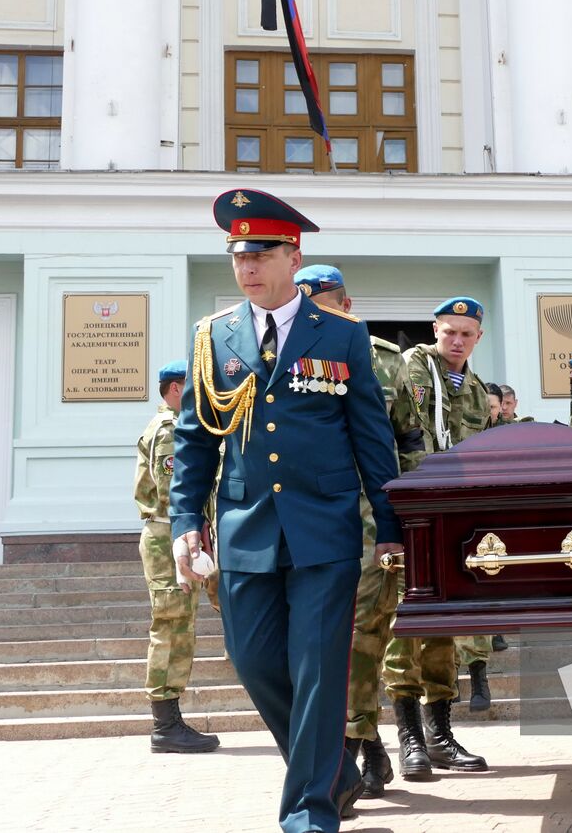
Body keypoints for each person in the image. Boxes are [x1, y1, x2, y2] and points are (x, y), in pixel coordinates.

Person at [169, 188, 402, 833]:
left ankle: (308, 813)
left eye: (262, 253)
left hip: (324, 531)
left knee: (317, 670)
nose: (247, 267)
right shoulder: (214, 337)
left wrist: (389, 527)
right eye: (238, 256)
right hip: (245, 530)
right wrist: (186, 524)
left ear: (293, 255)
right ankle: (333, 770)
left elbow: (371, 441)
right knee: (254, 661)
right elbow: (194, 442)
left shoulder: (345, 337)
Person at [294, 263, 425, 801]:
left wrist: (411, 521)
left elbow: (409, 442)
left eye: (322, 305)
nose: (313, 317)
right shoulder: (284, 352)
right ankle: (359, 747)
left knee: (363, 634)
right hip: (310, 518)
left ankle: (359, 749)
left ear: (345, 305)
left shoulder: (385, 361)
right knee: (332, 638)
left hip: (372, 519)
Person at [382, 297, 494, 779]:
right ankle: (409, 739)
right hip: (407, 512)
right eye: (449, 331)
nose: (457, 341)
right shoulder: (408, 369)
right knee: (401, 623)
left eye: (466, 334)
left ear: (478, 339)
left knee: (444, 623)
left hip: (452, 517)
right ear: (435, 329)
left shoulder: (475, 391)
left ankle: (441, 736)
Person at [136, 359, 220, 755]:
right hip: (171, 534)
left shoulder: (174, 426)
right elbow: (175, 492)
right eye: (193, 386)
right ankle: (165, 724)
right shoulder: (170, 430)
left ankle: (169, 721)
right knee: (172, 627)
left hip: (178, 534)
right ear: (175, 390)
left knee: (180, 626)